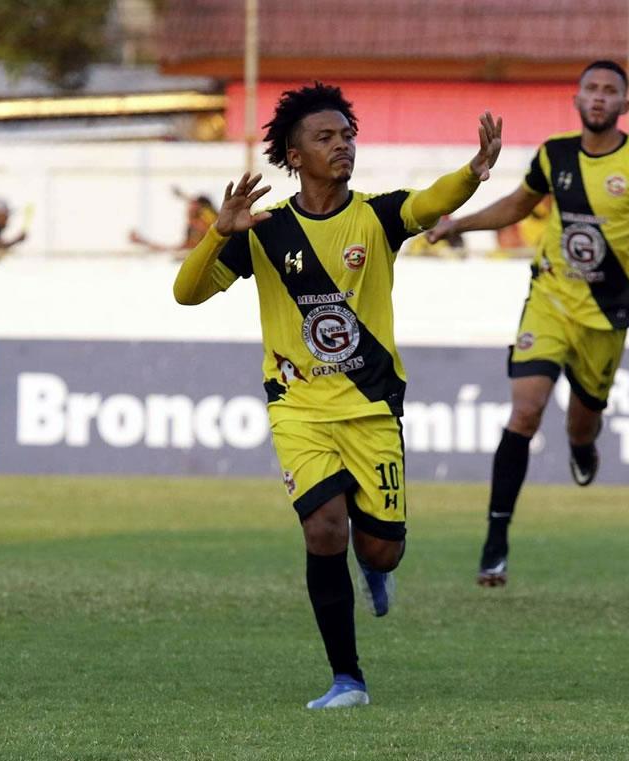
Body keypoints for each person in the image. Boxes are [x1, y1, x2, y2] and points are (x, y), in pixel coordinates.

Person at [173, 82, 502, 709]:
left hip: (372, 409)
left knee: (382, 547)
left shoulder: (377, 217)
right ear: (294, 155)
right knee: (324, 531)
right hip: (298, 410)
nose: (341, 146)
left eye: (347, 135)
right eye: (325, 138)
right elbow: (186, 294)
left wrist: (474, 171)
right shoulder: (263, 231)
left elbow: (431, 203)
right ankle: (347, 679)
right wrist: (219, 233)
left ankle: (377, 570)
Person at [427, 60, 629, 587]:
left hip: (607, 317)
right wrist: (459, 222)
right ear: (577, 99)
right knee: (526, 412)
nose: (599, 97)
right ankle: (495, 540)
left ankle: (582, 445)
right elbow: (518, 203)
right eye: (591, 89)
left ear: (625, 106)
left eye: (610, 91)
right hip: (551, 298)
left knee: (582, 423)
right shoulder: (553, 154)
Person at [129, 189, 218, 257]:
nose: (190, 220)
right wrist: (143, 242)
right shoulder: (194, 236)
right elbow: (174, 249)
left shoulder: (211, 222)